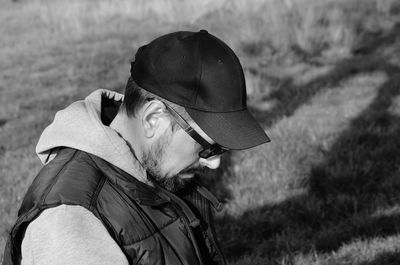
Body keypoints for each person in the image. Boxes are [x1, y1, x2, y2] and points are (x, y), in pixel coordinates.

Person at [3, 30, 270, 265]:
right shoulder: (69, 224)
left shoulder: (156, 171)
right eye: (207, 148)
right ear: (154, 119)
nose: (214, 163)